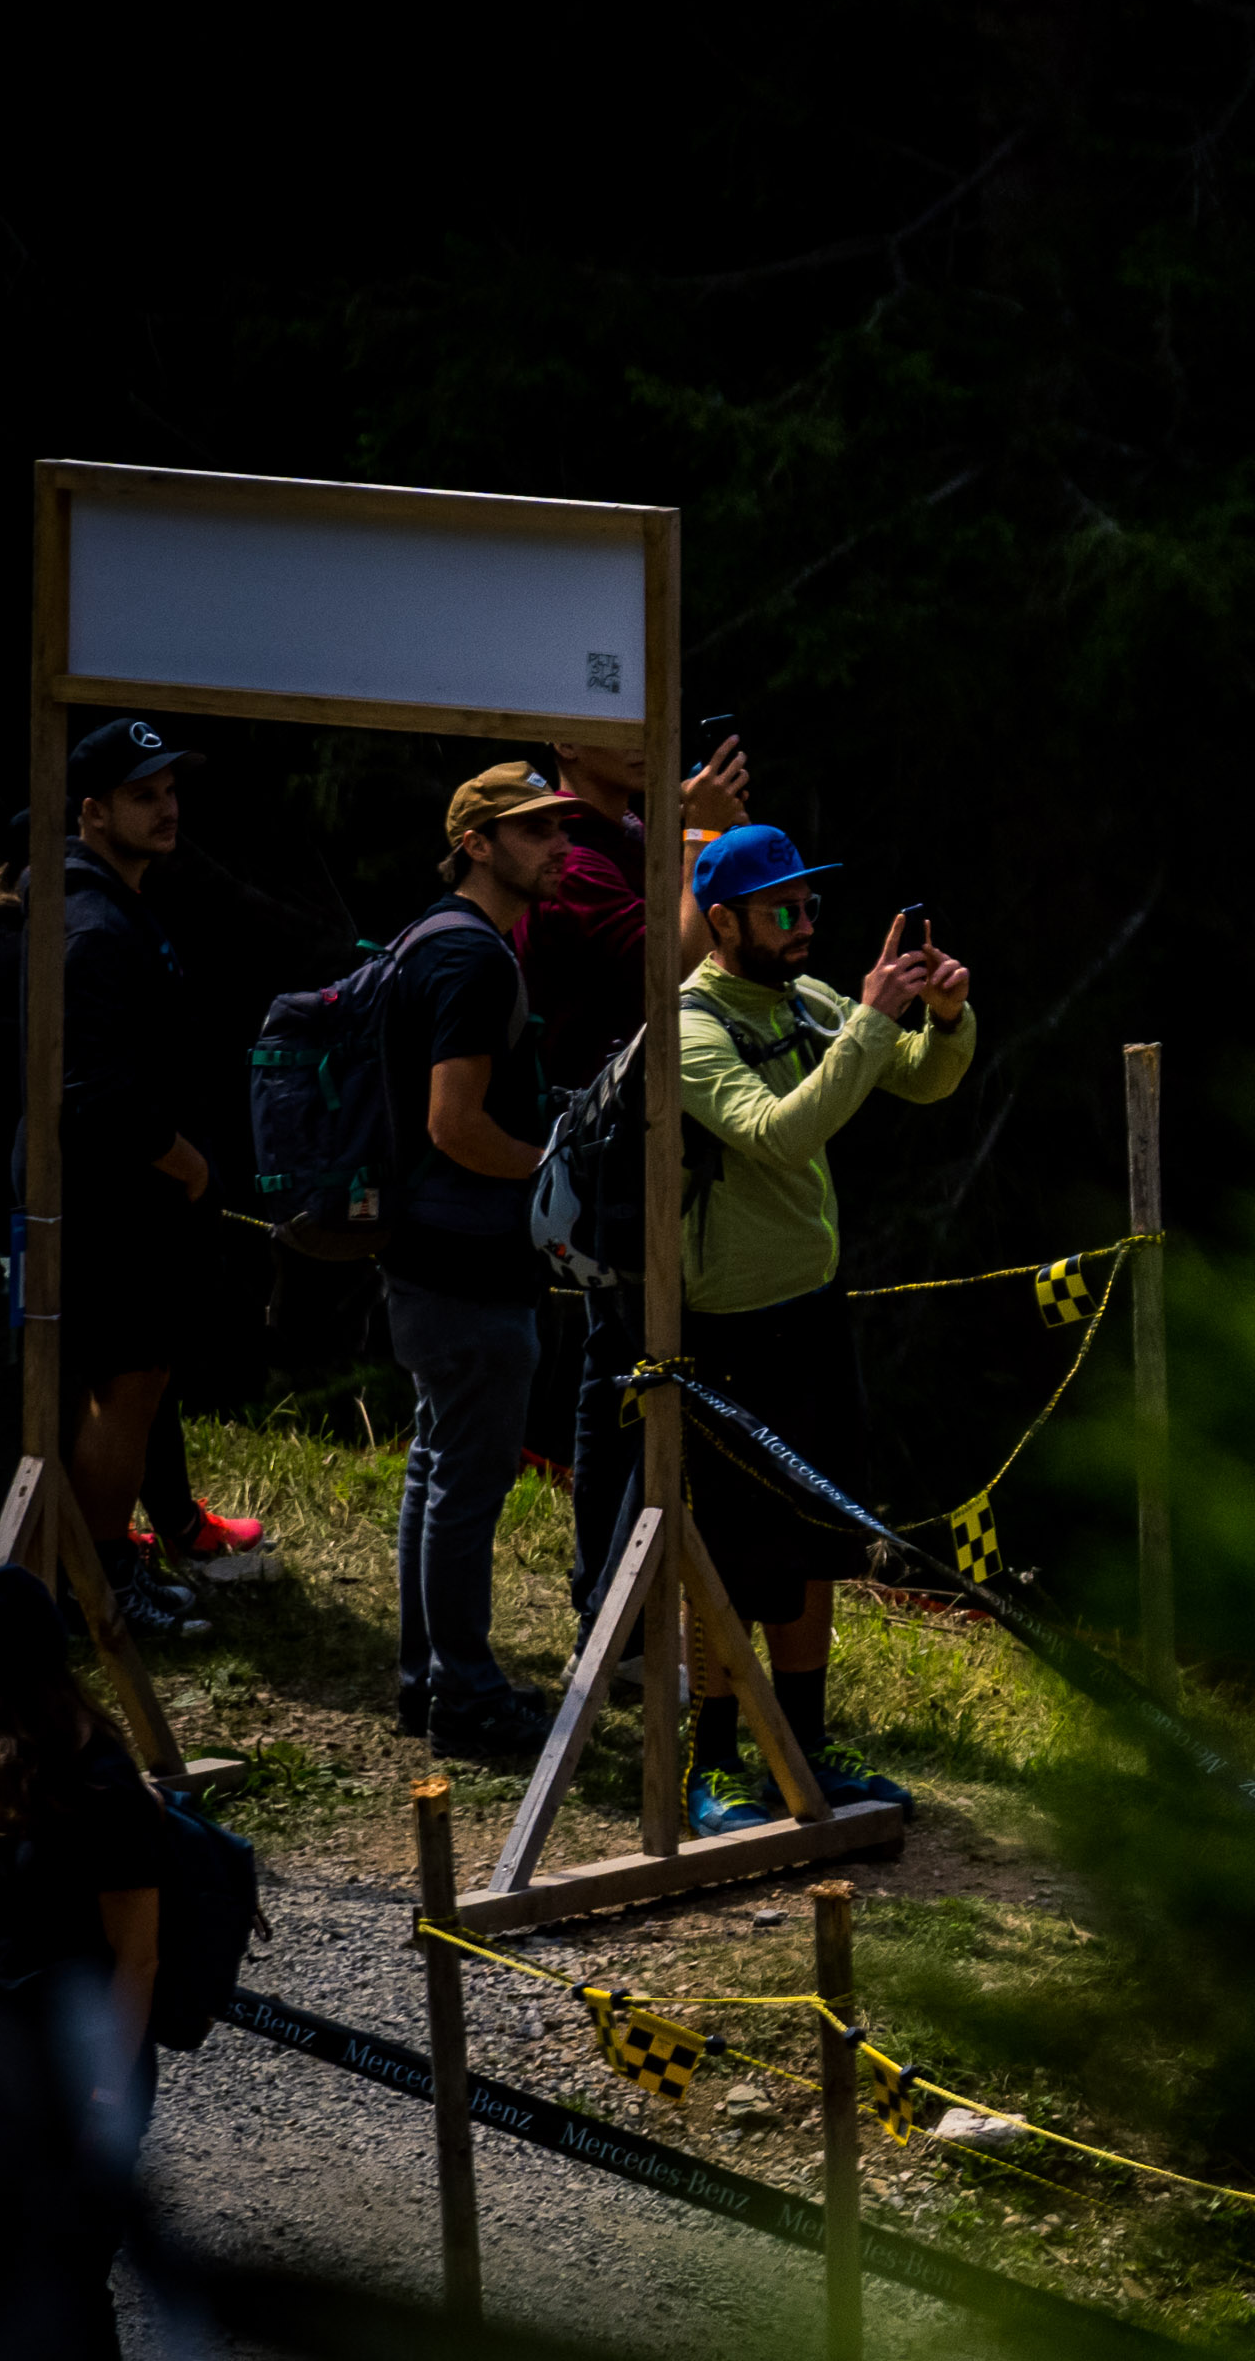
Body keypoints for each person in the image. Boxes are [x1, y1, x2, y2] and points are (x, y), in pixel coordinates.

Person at [672, 825, 975, 1834]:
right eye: (782, 910)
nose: (804, 926)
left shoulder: (805, 1000)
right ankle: (713, 1759)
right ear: (722, 921)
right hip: (723, 1334)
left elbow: (923, 1080)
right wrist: (872, 1022)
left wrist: (945, 1015)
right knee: (726, 1549)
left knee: (814, 1542)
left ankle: (802, 1740)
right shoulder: (690, 1023)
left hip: (810, 1313)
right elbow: (777, 1131)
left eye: (810, 907)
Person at [18, 721, 259, 1644]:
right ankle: (96, 1584)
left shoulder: (117, 903)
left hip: (130, 1197)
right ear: (91, 811)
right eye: (142, 796)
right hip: (112, 1199)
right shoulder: (91, 924)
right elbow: (93, 1090)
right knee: (126, 1383)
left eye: (169, 792)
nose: (166, 810)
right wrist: (188, 1165)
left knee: (135, 1380)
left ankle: (95, 1569)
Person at [522, 729, 751, 1631]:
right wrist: (694, 843)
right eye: (627, 727)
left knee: (619, 1368)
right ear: (572, 743)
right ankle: (612, 1611)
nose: (652, 738)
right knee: (636, 1369)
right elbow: (676, 971)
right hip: (607, 1151)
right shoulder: (570, 854)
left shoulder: (625, 838)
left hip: (648, 1140)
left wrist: (699, 843)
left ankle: (612, 1603)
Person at [383, 765, 579, 1761]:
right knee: (468, 1477)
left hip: (424, 1254)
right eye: (533, 829)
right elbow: (453, 1122)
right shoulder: (472, 960)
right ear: (477, 843)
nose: (556, 845)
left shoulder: (432, 939)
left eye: (557, 826)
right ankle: (463, 1691)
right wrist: (550, 1165)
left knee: (437, 1464)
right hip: (465, 1263)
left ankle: (428, 1681)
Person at [0, 1561, 167, 2356]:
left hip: (76, 2085)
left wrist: (100, 2103)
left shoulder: (99, 1784)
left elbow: (138, 1961)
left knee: (68, 2285)